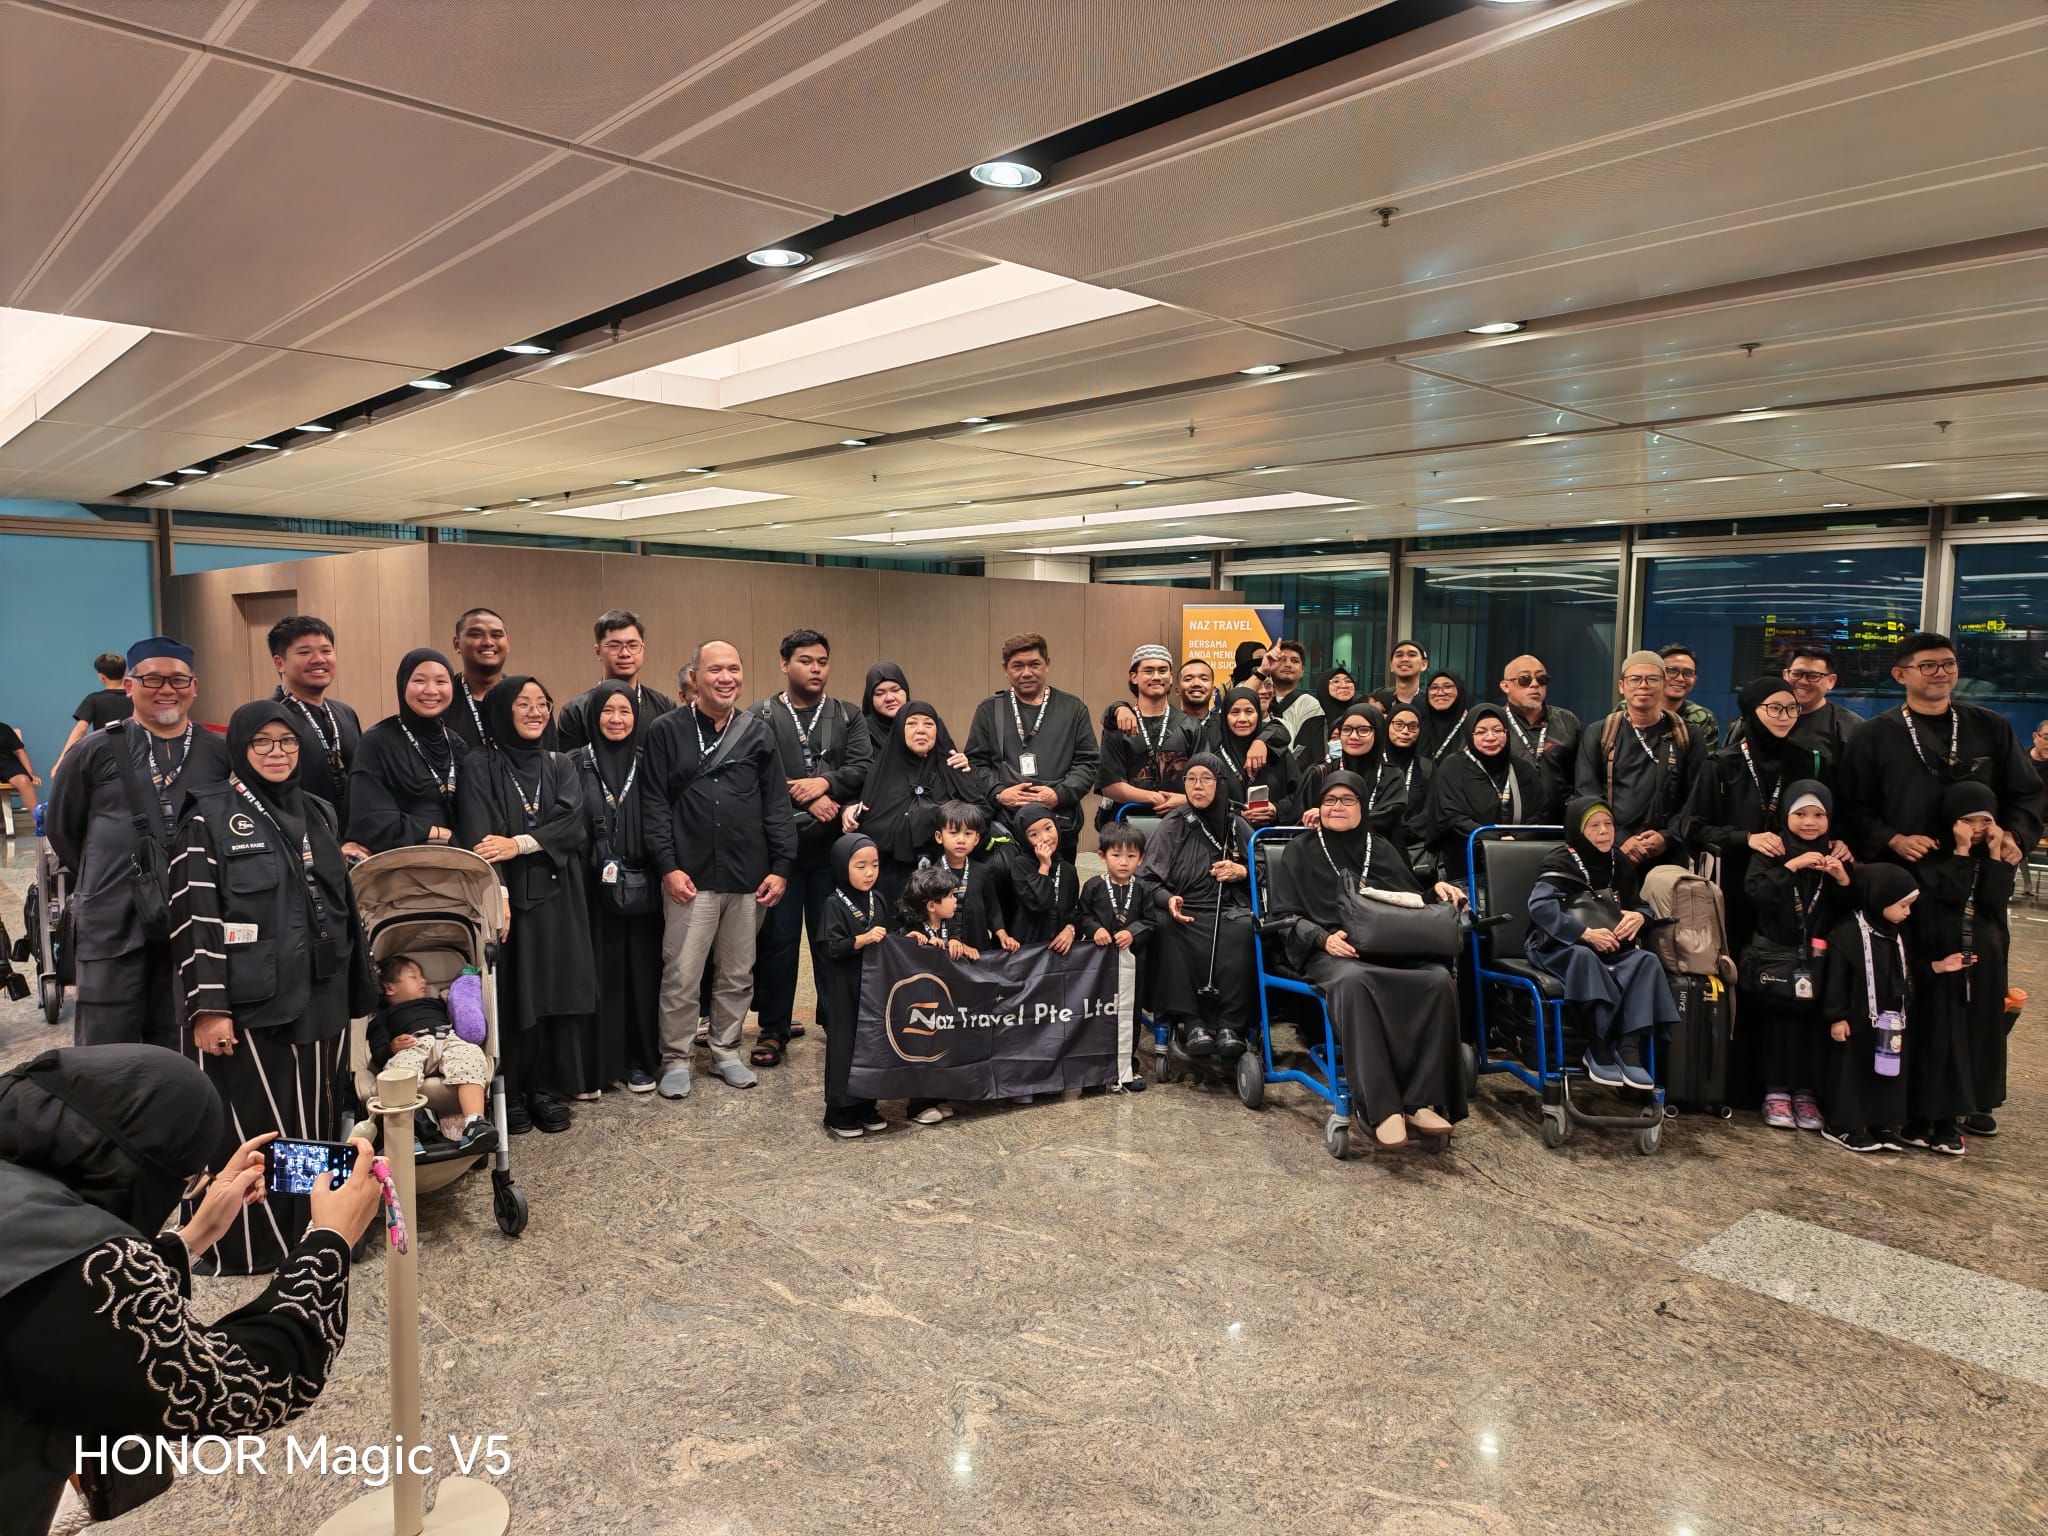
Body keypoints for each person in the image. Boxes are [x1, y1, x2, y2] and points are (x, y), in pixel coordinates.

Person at [0, 1046, 380, 1536]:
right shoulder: (89, 1269)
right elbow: (244, 1385)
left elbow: (72, 1308)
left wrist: (193, 1236)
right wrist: (330, 1240)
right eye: (185, 1179)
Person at [169, 700, 377, 1273]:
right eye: (263, 742)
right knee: (254, 1128)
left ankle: (314, 1232)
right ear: (240, 748)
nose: (278, 753)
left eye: (287, 742)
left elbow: (339, 903)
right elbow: (194, 920)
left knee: (313, 1120)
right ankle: (242, 1245)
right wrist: (208, 1009)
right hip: (248, 1003)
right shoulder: (206, 816)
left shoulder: (317, 811)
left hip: (321, 995)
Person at [1263, 771, 1467, 1149]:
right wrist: (1322, 938)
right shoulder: (1300, 850)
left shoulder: (1382, 848)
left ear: (1363, 806)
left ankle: (1419, 1100)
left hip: (1387, 946)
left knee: (1437, 980)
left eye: (1347, 800)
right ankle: (1382, 1106)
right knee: (1354, 981)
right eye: (1329, 801)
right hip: (1331, 950)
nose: (1336, 807)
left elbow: (1407, 899)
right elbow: (1284, 915)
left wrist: (1433, 890)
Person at [47, 637, 231, 1049]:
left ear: (195, 686)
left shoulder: (219, 753)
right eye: (153, 679)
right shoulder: (92, 751)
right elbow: (63, 830)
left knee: (180, 1038)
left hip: (192, 917)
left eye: (178, 680)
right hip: (113, 917)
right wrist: (110, 871)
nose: (167, 689)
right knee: (106, 1044)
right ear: (129, 686)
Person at [641, 641, 795, 1099]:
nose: (726, 678)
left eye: (734, 668)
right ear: (695, 677)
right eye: (715, 670)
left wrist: (782, 865)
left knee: (737, 972)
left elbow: (776, 804)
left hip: (749, 876)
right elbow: (653, 805)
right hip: (689, 877)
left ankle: (726, 1050)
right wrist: (667, 866)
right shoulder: (666, 730)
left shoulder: (757, 731)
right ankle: (675, 1057)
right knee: (682, 974)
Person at [455, 676, 595, 1133]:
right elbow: (478, 832)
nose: (536, 711)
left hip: (559, 891)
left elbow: (573, 823)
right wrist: (498, 891)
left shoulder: (560, 762)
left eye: (543, 703)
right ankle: (510, 1090)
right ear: (500, 710)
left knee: (555, 988)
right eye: (524, 703)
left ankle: (546, 1088)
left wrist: (520, 843)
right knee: (512, 992)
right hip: (506, 895)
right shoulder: (480, 763)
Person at [747, 629, 873, 1067]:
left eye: (822, 661)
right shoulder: (760, 714)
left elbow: (862, 767)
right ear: (784, 664)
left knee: (831, 939)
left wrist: (827, 784)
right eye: (805, 661)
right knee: (778, 942)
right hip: (780, 851)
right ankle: (774, 1028)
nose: (815, 668)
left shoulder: (847, 714)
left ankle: (835, 1018)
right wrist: (805, 794)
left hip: (832, 852)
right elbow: (750, 774)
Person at [1837, 630, 2040, 878]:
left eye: (1948, 664)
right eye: (1928, 666)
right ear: (1900, 675)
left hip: (1978, 869)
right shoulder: (1872, 735)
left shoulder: (1991, 726)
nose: (1941, 673)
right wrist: (1892, 839)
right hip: (1901, 871)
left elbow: (2026, 792)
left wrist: (2014, 835)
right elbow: (1851, 806)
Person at [1524, 796, 1676, 1089]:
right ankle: (1598, 1045)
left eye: (1608, 824)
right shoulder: (1560, 860)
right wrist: (1584, 934)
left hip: (1612, 945)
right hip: (1558, 944)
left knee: (1647, 960)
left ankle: (1629, 1048)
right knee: (1584, 957)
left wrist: (1640, 918)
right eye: (1594, 826)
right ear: (1579, 830)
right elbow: (1540, 908)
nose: (1604, 831)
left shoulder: (1619, 861)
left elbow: (1639, 904)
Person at [1681, 677, 1830, 959]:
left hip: (1796, 883)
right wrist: (1746, 838)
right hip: (1737, 882)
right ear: (1752, 711)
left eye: (1791, 708)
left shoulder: (1809, 761)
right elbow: (1693, 828)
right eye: (1774, 708)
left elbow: (1829, 814)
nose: (1784, 717)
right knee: (1738, 960)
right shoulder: (1723, 765)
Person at [1905, 781, 2018, 1152]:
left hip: (1983, 958)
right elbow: (1949, 895)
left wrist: (1997, 854)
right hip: (1942, 954)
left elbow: (1994, 900)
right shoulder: (1933, 853)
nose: (1978, 828)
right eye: (1969, 820)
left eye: (1985, 821)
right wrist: (1961, 849)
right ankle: (1927, 1114)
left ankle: (1962, 1111)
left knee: (1978, 1032)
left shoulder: (1994, 856)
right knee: (1939, 1035)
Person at [1741, 782, 1853, 1133]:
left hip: (1816, 959)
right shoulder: (1773, 850)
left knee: (1810, 1028)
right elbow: (1756, 892)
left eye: (1818, 815)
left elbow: (1849, 910)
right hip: (1776, 955)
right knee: (1777, 1026)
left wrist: (1843, 878)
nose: (1809, 822)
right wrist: (1792, 866)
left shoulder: (1836, 853)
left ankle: (1805, 1093)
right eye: (1800, 814)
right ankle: (1774, 1091)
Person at [573, 681, 664, 1094]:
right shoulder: (573, 763)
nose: (616, 719)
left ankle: (639, 1061)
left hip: (643, 885)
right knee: (599, 974)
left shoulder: (650, 762)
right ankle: (598, 1065)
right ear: (594, 716)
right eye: (607, 711)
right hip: (591, 890)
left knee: (642, 974)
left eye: (624, 711)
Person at [1136, 754, 1254, 1061]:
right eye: (1191, 779)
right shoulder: (1172, 823)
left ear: (1220, 784)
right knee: (1169, 926)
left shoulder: (1236, 824)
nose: (1197, 786)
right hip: (1182, 907)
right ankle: (1192, 1022)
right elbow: (1146, 880)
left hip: (1228, 908)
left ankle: (1231, 1025)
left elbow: (1264, 870)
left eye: (1206, 779)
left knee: (1243, 929)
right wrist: (1167, 899)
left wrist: (1241, 871)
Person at [965, 632, 1100, 861]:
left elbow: (1088, 763)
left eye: (1034, 664)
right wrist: (999, 793)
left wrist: (1058, 794)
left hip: (1058, 824)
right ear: (1005, 668)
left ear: (1047, 664)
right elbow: (975, 763)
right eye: (1017, 666)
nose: (1026, 673)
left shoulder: (1073, 708)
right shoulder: (989, 710)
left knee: (1058, 891)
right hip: (1006, 825)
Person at [1574, 650, 1707, 869]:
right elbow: (1586, 793)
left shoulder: (1688, 735)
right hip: (1610, 849)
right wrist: (1620, 839)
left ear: (1664, 684)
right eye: (1635, 679)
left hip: (1669, 854)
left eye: (1652, 679)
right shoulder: (1600, 732)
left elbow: (1696, 797)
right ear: (1621, 686)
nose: (1643, 685)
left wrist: (1667, 837)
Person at [1817, 866, 1916, 1153]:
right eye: (1903, 905)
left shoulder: (1896, 934)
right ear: (1879, 898)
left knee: (1886, 1070)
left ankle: (1880, 1122)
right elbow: (1835, 979)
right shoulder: (1848, 933)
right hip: (1855, 1018)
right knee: (1852, 1069)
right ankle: (1844, 1124)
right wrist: (1836, 1016)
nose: (1907, 912)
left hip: (1890, 1019)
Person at [848, 700, 975, 909]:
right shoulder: (881, 771)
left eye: (928, 724)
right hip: (892, 875)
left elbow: (981, 812)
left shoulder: (953, 765)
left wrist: (935, 816)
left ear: (938, 729)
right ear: (899, 729)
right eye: (912, 724)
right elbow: (870, 824)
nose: (921, 730)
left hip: (946, 873)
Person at [366, 956, 496, 1153]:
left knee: (470, 1055)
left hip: (448, 1037)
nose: (423, 981)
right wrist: (392, 1047)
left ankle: (475, 1123)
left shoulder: (436, 1003)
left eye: (423, 977)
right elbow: (378, 1054)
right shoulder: (384, 1017)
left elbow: (459, 1009)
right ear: (389, 988)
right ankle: (407, 1133)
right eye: (414, 977)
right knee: (397, 1071)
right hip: (412, 1044)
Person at [344, 648, 462, 854]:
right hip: (402, 867)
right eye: (419, 681)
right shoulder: (377, 743)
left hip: (460, 865)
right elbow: (370, 821)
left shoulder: (456, 744)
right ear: (402, 684)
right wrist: (438, 833)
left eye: (441, 681)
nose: (431, 690)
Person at [1424, 703, 1559, 869]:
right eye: (1481, 732)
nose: (1490, 737)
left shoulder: (1522, 769)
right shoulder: (1453, 767)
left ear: (1507, 733)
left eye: (1497, 730)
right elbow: (1451, 816)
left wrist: (1515, 839)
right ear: (1469, 734)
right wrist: (1494, 839)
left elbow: (1539, 813)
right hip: (1465, 862)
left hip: (1517, 858)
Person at [819, 834, 890, 1140]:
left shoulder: (880, 898)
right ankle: (839, 1110)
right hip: (844, 987)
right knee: (846, 1046)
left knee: (871, 1044)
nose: (869, 872)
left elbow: (891, 935)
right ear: (841, 866)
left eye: (874, 865)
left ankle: (866, 1104)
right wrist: (862, 939)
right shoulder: (833, 904)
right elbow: (830, 948)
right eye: (860, 866)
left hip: (873, 987)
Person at [266, 616, 361, 844]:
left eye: (326, 651)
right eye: (304, 652)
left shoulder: (345, 713)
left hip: (352, 844)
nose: (319, 660)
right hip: (300, 846)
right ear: (280, 663)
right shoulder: (270, 718)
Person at [1082, 821, 1154, 1092]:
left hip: (1133, 963)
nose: (1124, 862)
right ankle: (1094, 1067)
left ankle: (1126, 1065)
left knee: (1130, 1012)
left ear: (1141, 858)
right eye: (1116, 855)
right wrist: (1095, 929)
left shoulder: (1144, 888)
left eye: (1131, 856)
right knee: (1098, 1010)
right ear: (1102, 856)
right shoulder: (1093, 886)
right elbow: (1082, 916)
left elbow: (1151, 920)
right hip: (1099, 962)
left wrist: (1134, 933)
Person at [1096, 644, 1197, 826]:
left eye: (1163, 670)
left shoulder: (1191, 726)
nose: (1156, 677)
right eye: (1148, 671)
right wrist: (1153, 798)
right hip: (1126, 827)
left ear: (1171, 677)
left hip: (1181, 825)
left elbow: (1206, 779)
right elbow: (1110, 785)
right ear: (1134, 677)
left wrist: (1184, 800)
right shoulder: (1118, 725)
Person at [556, 609, 677, 751]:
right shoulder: (575, 711)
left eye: (633, 646)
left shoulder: (664, 707)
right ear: (598, 651)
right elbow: (569, 768)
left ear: (643, 649)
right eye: (614, 646)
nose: (625, 653)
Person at [1301, 702, 1411, 843]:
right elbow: (1301, 821)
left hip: (1379, 855)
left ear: (1378, 733)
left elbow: (1389, 817)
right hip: (1325, 855)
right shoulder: (1320, 773)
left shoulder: (1391, 776)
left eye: (1363, 730)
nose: (1353, 736)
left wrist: (1333, 816)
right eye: (1347, 729)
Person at [917, 801, 1008, 955]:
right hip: (945, 950)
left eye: (968, 834)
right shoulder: (930, 876)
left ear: (977, 839)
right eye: (953, 833)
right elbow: (923, 917)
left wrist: (1002, 934)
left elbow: (992, 909)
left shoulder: (982, 871)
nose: (961, 840)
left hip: (978, 947)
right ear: (939, 837)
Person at [1210, 685, 1301, 830]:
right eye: (1234, 712)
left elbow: (1299, 795)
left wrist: (1277, 810)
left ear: (1258, 714)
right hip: (1227, 842)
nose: (1242, 719)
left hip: (1272, 841)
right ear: (1224, 717)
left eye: (1249, 711)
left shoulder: (1278, 754)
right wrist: (1236, 814)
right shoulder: (1215, 759)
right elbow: (1206, 802)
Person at [1498, 654, 1580, 807]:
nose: (1535, 684)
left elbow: (1584, 777)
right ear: (1505, 686)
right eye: (1525, 679)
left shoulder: (1567, 721)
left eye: (1541, 679)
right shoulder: (1494, 724)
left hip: (1561, 821)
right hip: (1509, 822)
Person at [1006, 805, 1081, 951]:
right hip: (1028, 947)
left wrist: (1071, 929)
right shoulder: (1020, 865)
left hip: (1060, 947)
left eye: (1048, 828)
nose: (1045, 838)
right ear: (1024, 838)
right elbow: (1040, 904)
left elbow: (1074, 910)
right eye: (1034, 834)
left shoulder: (1068, 869)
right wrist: (1044, 866)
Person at [445, 607, 512, 752]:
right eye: (476, 635)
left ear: (508, 643)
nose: (488, 642)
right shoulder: (442, 698)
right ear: (457, 644)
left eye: (496, 635)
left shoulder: (527, 697)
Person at [54, 653, 131, 766]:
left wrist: (62, 759)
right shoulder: (136, 698)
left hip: (105, 759)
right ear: (125, 672)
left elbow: (80, 730)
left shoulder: (93, 699)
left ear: (101, 676)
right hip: (135, 756)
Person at [1658, 644, 1720, 748]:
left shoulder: (1703, 718)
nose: (1680, 678)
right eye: (1672, 670)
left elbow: (1704, 762)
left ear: (1694, 679)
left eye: (1688, 673)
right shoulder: (1630, 708)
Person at [1266, 640, 1323, 745]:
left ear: (1302, 670)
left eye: (1295, 661)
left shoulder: (1309, 704)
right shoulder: (1259, 698)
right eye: (1282, 660)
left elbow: (1306, 746)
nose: (1288, 664)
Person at [1417, 669, 1469, 761]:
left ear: (1459, 689)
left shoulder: (1472, 727)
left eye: (1447, 687)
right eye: (1434, 688)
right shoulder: (1417, 725)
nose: (1440, 693)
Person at [1369, 639, 1429, 716]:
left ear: (1424, 665)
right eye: (1399, 655)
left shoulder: (1429, 703)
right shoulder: (1378, 698)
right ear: (1391, 666)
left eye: (1412, 655)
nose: (1404, 659)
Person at [861, 662, 911, 746]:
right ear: (870, 699)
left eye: (895, 690)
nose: (889, 698)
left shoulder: (924, 725)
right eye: (880, 693)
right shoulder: (860, 732)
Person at [0, 717, 37, 820]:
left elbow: (20, 751)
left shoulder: (4, 728)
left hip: (7, 763)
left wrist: (30, 774)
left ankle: (38, 821)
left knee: (23, 780)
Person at [1177, 657, 1217, 725]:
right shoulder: (1167, 726)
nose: (1196, 683)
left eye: (1204, 679)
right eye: (1188, 679)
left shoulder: (1225, 725)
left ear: (1214, 690)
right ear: (1178, 690)